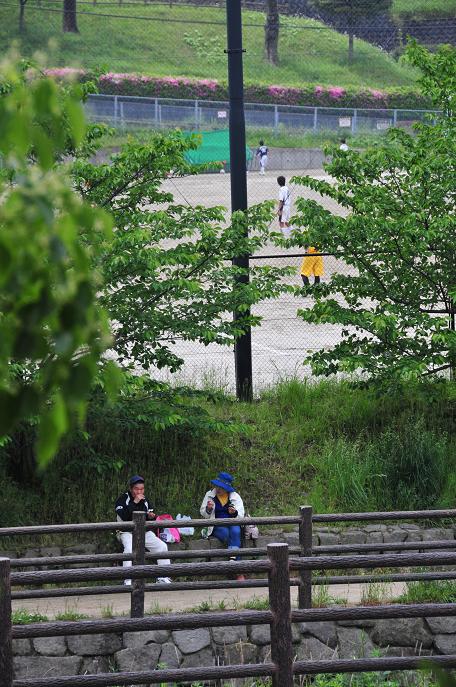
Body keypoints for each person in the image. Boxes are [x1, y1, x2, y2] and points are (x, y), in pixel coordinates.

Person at [115, 475, 171, 586]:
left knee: (162, 546)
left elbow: (151, 515)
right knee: (129, 548)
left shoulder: (145, 500)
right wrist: (135, 502)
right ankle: (128, 579)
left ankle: (163, 577)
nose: (139, 491)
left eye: (141, 489)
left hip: (143, 531)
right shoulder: (122, 499)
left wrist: (151, 516)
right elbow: (124, 517)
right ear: (131, 489)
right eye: (136, 489)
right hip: (125, 532)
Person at [200, 471, 245, 581]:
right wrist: (209, 509)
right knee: (229, 535)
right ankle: (238, 571)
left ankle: (232, 563)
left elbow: (241, 516)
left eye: (221, 487)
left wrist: (233, 513)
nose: (218, 489)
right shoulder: (209, 495)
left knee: (235, 531)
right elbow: (203, 513)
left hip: (232, 523)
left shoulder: (235, 496)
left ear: (227, 488)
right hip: (217, 525)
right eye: (217, 486)